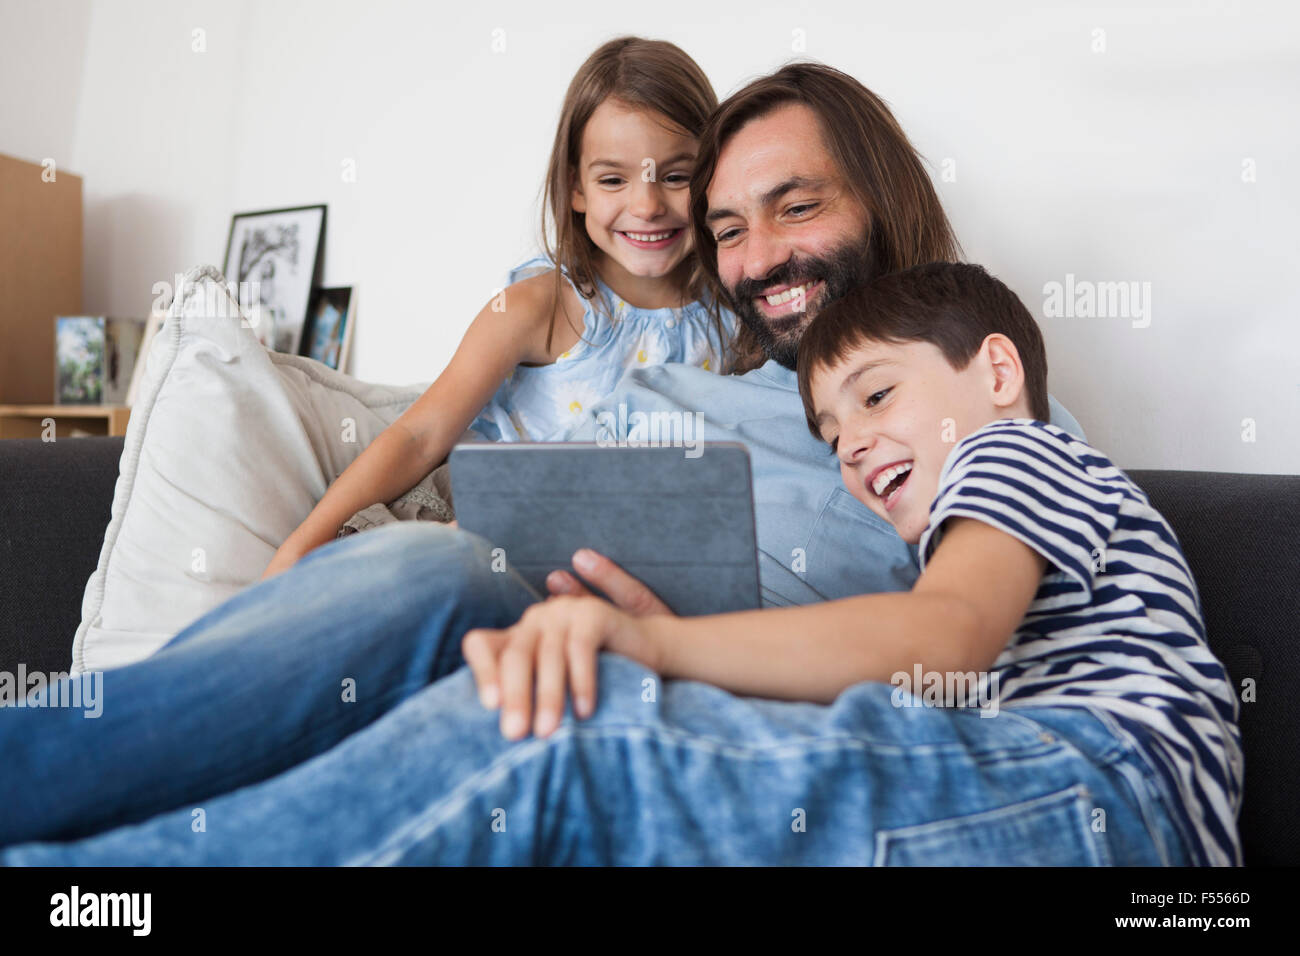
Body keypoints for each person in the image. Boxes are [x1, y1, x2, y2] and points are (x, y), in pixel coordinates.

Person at [1, 63, 1139, 866]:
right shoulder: (709, 369)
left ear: (881, 200)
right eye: (731, 226)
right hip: (574, 625)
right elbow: (453, 443)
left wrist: (656, 640)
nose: (759, 255)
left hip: (704, 688)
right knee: (426, 568)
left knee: (529, 723)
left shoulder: (981, 411)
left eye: (797, 207)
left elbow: (942, 633)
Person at [260, 36, 735, 578]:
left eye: (676, 176)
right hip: (464, 519)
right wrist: (297, 548)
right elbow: (419, 437)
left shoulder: (731, 320)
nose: (647, 205)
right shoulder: (541, 305)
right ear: (574, 188)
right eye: (612, 180)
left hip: (596, 555)